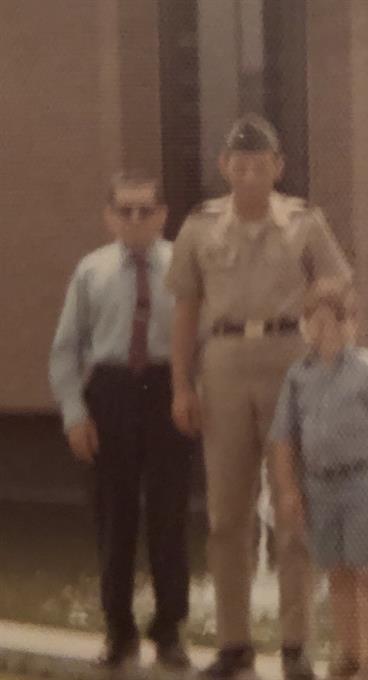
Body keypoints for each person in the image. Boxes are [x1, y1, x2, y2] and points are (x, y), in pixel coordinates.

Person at [167, 114, 352, 679]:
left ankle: (297, 645)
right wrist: (181, 385)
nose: (249, 175)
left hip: (290, 361)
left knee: (295, 506)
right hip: (223, 364)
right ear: (224, 167)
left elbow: (338, 293)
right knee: (227, 512)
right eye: (240, 165)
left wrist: (335, 375)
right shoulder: (199, 226)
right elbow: (185, 310)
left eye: (260, 165)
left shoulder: (305, 222)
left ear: (278, 167)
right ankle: (234, 644)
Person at [49, 173, 194, 672]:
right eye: (124, 210)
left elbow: (201, 338)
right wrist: (75, 414)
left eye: (144, 210)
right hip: (111, 394)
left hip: (168, 391)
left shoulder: (182, 266)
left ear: (162, 215)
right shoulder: (91, 271)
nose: (135, 219)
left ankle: (169, 630)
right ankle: (118, 631)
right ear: (109, 217)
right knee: (114, 517)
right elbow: (66, 350)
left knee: (169, 515)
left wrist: (192, 392)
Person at [269, 279, 368, 680]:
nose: (326, 330)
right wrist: (289, 490)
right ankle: (350, 654)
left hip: (364, 483)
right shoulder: (298, 377)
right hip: (320, 486)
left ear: (352, 323)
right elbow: (283, 438)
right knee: (337, 574)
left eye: (335, 320)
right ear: (305, 327)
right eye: (316, 322)